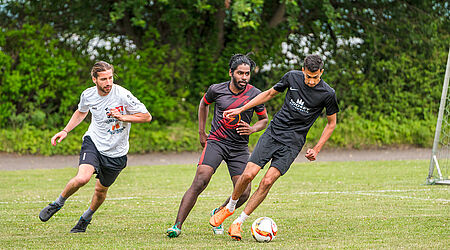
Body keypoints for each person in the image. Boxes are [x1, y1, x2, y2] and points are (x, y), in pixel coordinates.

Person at [209, 54, 339, 240]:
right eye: (308, 76)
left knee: (267, 181)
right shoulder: (292, 77)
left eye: (315, 77)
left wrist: (316, 148)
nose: (311, 81)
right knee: (248, 175)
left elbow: (331, 123)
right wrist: (240, 109)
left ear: (321, 73)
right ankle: (228, 208)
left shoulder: (328, 93)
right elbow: (269, 94)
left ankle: (239, 222)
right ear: (303, 70)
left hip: (293, 143)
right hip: (273, 133)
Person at [38, 61, 152, 233]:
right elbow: (81, 111)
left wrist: (122, 117)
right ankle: (57, 203)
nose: (108, 83)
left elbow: (146, 116)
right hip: (94, 143)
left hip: (117, 152)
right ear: (94, 79)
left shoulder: (122, 94)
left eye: (111, 78)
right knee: (82, 178)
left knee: (100, 190)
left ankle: (86, 218)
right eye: (104, 79)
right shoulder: (88, 95)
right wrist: (65, 130)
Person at [166, 54, 269, 238]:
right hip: (216, 142)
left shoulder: (255, 94)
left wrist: (252, 129)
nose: (244, 77)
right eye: (240, 73)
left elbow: (264, 120)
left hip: (239, 148)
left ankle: (219, 213)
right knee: (201, 179)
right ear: (231, 72)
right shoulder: (217, 89)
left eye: (247, 74)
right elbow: (203, 104)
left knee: (244, 192)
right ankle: (177, 225)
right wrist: (201, 131)